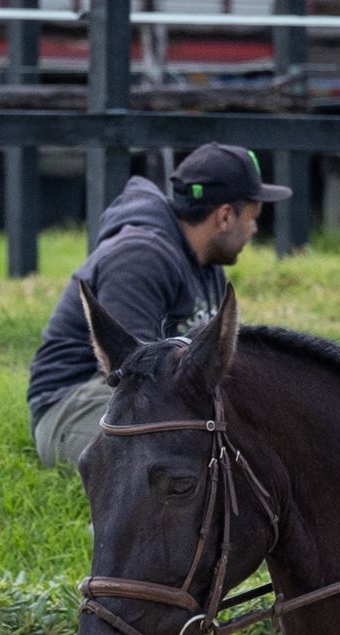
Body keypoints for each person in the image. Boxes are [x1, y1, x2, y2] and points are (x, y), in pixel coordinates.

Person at [28, 144, 290, 469]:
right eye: (253, 218)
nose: (254, 229)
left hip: (152, 398)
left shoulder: (206, 261)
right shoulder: (140, 258)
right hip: (74, 404)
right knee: (195, 454)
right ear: (224, 216)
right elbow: (134, 380)